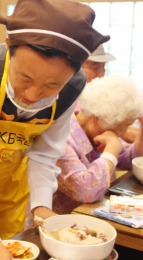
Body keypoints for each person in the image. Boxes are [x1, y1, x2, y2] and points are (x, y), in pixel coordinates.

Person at [0, 0, 110, 258]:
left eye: (52, 85)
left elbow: (44, 154)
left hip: (9, 193)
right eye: (25, 78)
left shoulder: (72, 86)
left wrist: (40, 205)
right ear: (8, 47)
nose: (32, 95)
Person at [52, 75, 143, 214]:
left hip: (92, 217)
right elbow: (86, 192)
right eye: (121, 127)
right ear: (96, 119)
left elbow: (131, 159)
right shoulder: (61, 138)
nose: (122, 134)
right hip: (60, 223)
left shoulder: (100, 131)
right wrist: (112, 150)